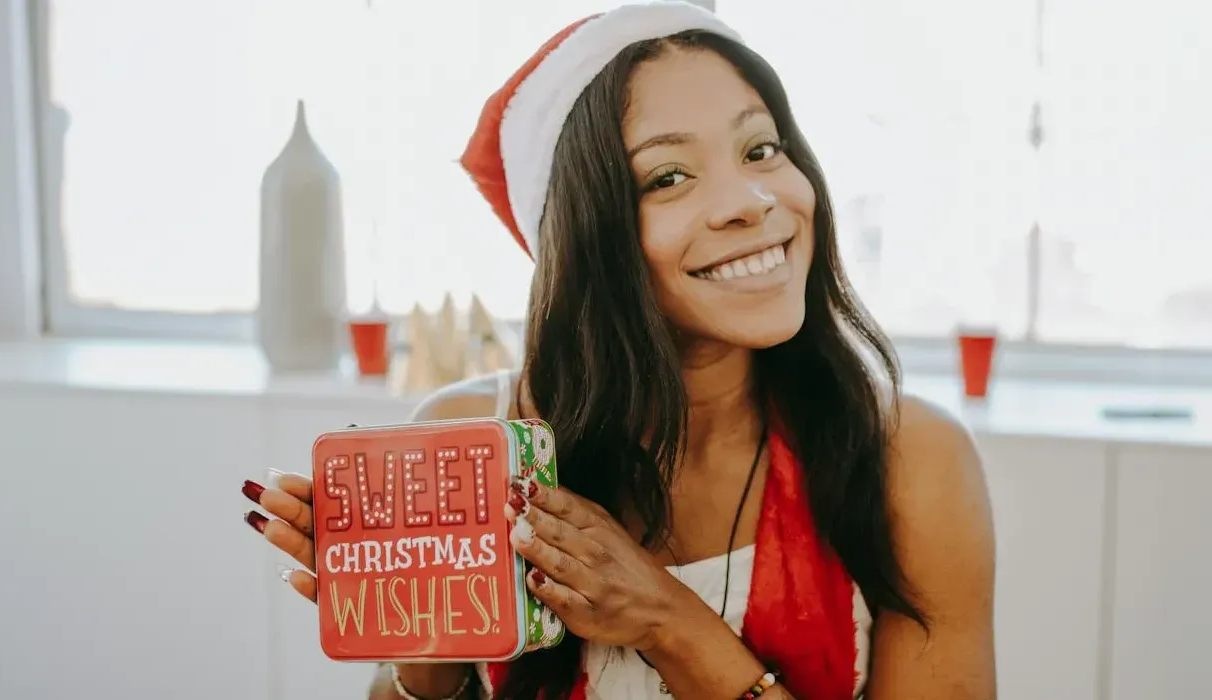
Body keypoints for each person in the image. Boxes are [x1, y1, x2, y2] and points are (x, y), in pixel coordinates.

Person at [240, 2, 996, 698]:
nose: (751, 202)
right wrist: (426, 645)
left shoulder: (911, 460)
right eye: (669, 177)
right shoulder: (472, 437)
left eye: (762, 149)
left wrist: (671, 624)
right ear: (583, 242)